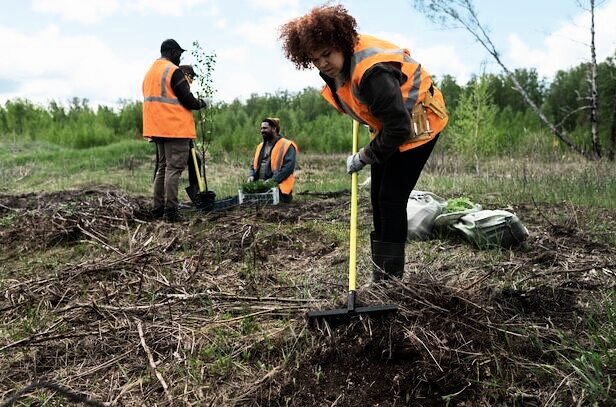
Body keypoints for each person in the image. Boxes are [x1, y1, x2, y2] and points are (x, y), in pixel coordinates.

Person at [279, 5, 448, 281]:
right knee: (378, 198)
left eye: (326, 54)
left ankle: (390, 281)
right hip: (392, 124)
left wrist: (365, 155)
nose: (322, 63)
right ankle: (381, 273)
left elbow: (398, 128)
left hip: (420, 121)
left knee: (391, 198)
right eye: (314, 58)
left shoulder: (373, 74)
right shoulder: (337, 68)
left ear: (341, 43)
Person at [142, 39, 207, 222]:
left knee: (163, 168)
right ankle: (170, 211)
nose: (180, 57)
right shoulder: (173, 71)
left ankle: (158, 209)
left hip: (157, 128)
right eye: (179, 53)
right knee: (174, 169)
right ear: (171, 52)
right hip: (174, 129)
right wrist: (203, 102)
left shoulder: (151, 71)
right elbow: (188, 101)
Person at [247, 118, 298, 203]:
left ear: (274, 129)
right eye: (261, 128)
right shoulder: (260, 146)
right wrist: (251, 176)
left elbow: (288, 169)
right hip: (261, 188)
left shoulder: (287, 145)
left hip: (280, 190)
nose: (262, 130)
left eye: (265, 128)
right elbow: (254, 166)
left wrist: (272, 181)